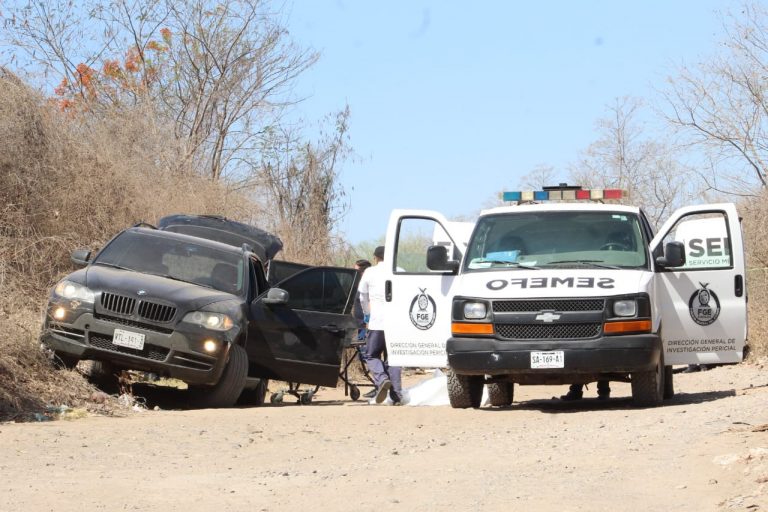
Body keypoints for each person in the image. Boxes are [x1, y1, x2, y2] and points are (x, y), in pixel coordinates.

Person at [358, 245, 403, 405]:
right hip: (395, 323)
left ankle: (382, 379)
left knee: (371, 354)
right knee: (394, 358)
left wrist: (366, 314)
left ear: (375, 258)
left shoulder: (370, 272)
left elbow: (362, 295)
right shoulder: (400, 271)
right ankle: (397, 396)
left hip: (377, 321)